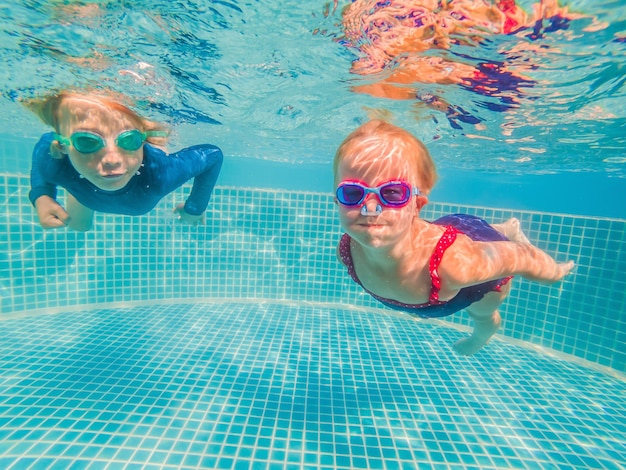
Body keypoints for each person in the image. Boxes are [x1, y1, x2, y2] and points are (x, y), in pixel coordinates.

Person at [333, 119, 574, 355]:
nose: (370, 208)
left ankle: (483, 330)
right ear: (336, 202)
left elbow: (525, 257)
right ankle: (505, 227)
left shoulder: (455, 266)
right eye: (352, 193)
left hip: (474, 276)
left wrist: (554, 273)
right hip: (438, 238)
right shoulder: (348, 252)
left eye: (393, 194)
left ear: (417, 206)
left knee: (483, 314)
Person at [26, 91, 223, 231]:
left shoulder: (160, 175)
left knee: (77, 223)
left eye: (129, 140)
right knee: (78, 227)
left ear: (142, 139)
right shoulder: (54, 159)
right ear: (61, 146)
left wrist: (195, 208)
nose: (112, 160)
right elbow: (45, 143)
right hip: (84, 185)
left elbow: (213, 155)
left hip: (107, 175)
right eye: (87, 142)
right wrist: (42, 195)